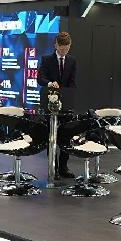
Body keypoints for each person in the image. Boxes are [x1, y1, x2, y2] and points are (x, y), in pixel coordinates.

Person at [37, 31, 77, 178]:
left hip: (66, 104)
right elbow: (40, 78)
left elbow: (72, 82)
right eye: (61, 48)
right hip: (50, 103)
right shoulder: (47, 59)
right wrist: (49, 83)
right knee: (52, 136)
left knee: (66, 136)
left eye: (67, 48)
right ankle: (53, 167)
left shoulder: (72, 61)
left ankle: (64, 167)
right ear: (56, 45)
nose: (64, 51)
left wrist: (70, 95)